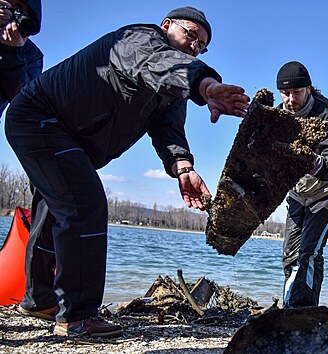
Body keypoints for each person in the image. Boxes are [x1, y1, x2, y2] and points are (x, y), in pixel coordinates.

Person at [5, 6, 249, 338]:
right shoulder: (138, 39)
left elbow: (168, 130)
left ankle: (40, 301)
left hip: (71, 140)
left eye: (202, 46)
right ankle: (78, 317)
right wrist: (204, 85)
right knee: (84, 204)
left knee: (55, 210)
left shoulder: (170, 89)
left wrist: (184, 169)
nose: (195, 47)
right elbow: (158, 64)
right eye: (192, 36)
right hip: (39, 118)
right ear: (167, 25)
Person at [276, 61, 328, 308]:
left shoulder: (327, 116)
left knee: (309, 252)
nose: (290, 99)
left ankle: (304, 312)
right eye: (285, 93)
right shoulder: (277, 117)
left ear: (308, 89)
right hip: (298, 194)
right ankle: (289, 308)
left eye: (295, 93)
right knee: (289, 255)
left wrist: (315, 163)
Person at [0, 0, 42, 115]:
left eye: (18, 6)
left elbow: (25, 102)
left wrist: (13, 53)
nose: (9, 11)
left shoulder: (32, 54)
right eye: (5, 5)